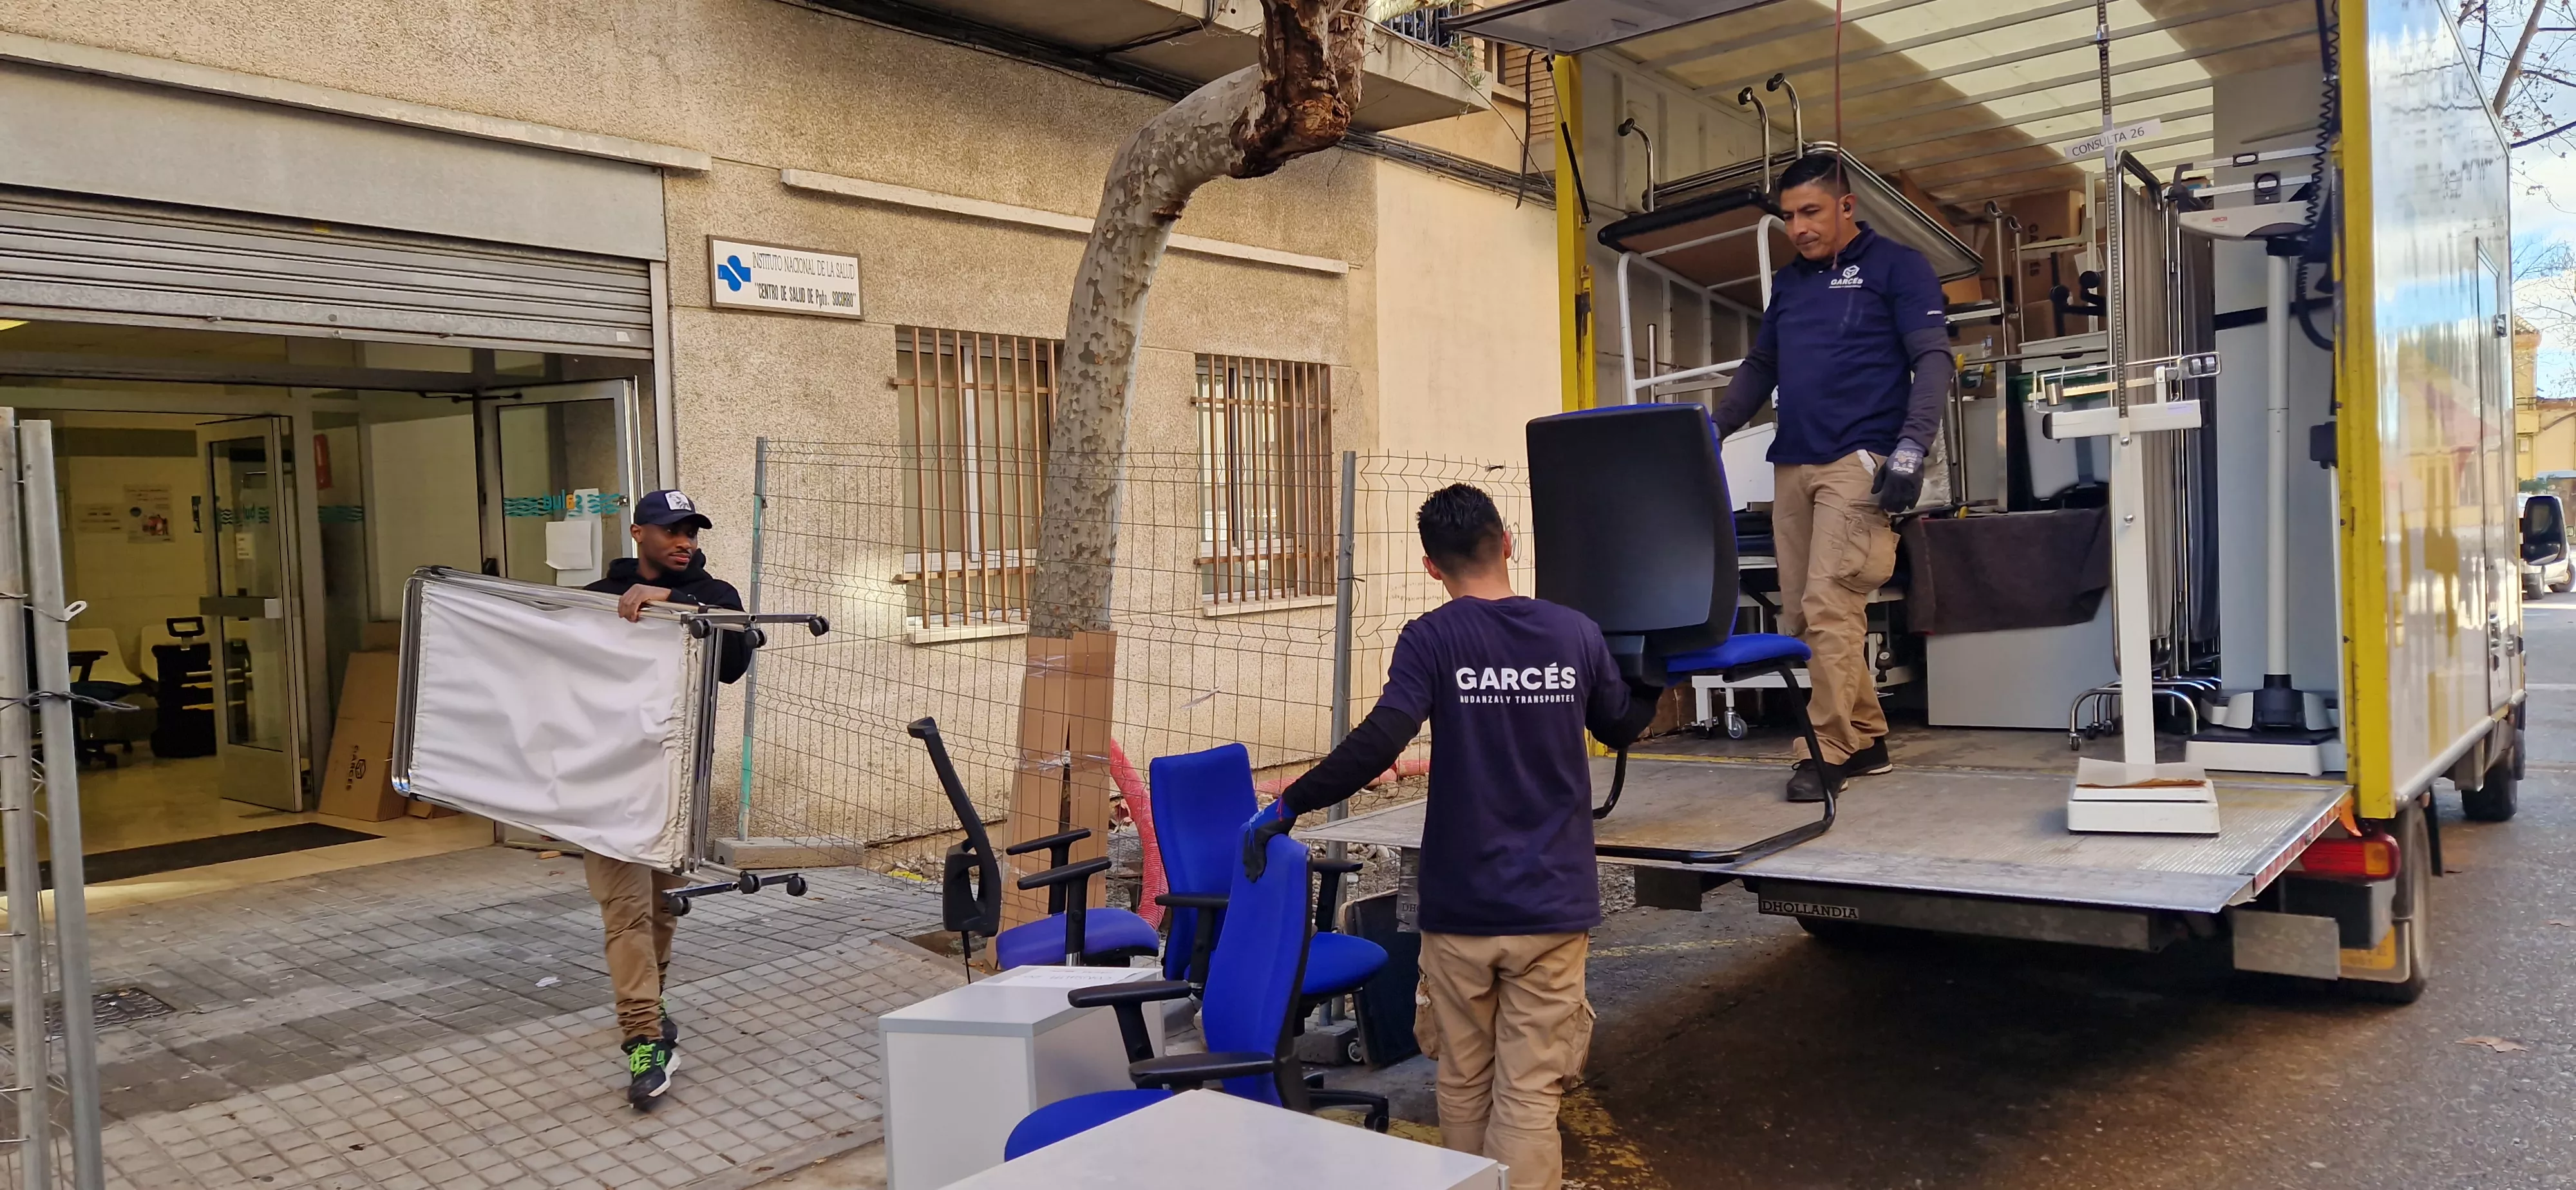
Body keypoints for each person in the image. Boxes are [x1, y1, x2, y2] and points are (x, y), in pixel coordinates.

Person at [1246, 484, 1658, 1190]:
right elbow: (1619, 724)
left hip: (1459, 907)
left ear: (1431, 568)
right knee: (1529, 1096)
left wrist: (1290, 804)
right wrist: (1656, 669)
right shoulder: (1574, 632)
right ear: (1506, 543)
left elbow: (1380, 741)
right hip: (1551, 909)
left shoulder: (1432, 639)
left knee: (1464, 1081)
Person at [1712, 150, 1956, 804]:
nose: (1798, 228)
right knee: (1805, 614)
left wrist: (1910, 451)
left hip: (1859, 462)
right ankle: (1869, 736)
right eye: (1789, 216)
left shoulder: (1898, 268)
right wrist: (1712, 429)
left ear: (1847, 207)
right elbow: (1761, 365)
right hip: (1792, 462)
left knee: (1829, 603)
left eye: (1811, 212)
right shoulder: (1790, 285)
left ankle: (1827, 749)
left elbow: (1933, 361)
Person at [583, 488, 754, 1109]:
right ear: (638, 535)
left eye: (693, 532)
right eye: (672, 531)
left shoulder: (719, 597)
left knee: (659, 906)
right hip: (604, 782)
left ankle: (651, 1004)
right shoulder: (597, 600)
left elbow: (733, 661)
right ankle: (644, 1040)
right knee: (623, 910)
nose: (686, 542)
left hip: (675, 781)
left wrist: (675, 604)